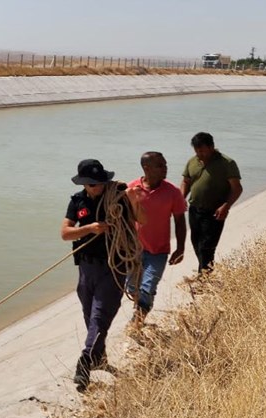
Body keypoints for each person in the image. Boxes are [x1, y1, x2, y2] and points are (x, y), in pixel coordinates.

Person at [61, 159, 146, 392]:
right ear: (84, 184)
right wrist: (90, 228)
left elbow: (142, 221)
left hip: (114, 267)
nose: (97, 188)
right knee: (90, 318)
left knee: (100, 316)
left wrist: (136, 202)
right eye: (92, 184)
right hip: (86, 269)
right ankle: (99, 358)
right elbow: (65, 233)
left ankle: (84, 363)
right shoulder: (77, 201)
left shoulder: (120, 196)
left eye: (100, 183)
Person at [127, 151, 187, 324]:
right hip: (133, 250)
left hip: (158, 251)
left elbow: (180, 221)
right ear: (147, 168)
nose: (165, 169)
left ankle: (136, 324)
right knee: (131, 287)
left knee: (148, 288)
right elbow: (121, 218)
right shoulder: (132, 188)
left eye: (165, 165)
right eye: (160, 165)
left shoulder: (173, 192)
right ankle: (140, 309)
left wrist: (181, 248)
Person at [181, 133, 242, 273]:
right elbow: (186, 182)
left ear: (212, 147)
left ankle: (204, 278)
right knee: (196, 243)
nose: (199, 154)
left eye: (202, 151)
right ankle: (205, 272)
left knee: (207, 246)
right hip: (194, 210)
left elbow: (237, 188)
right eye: (196, 151)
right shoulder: (192, 161)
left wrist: (226, 206)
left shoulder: (227, 163)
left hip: (215, 211)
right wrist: (181, 199)